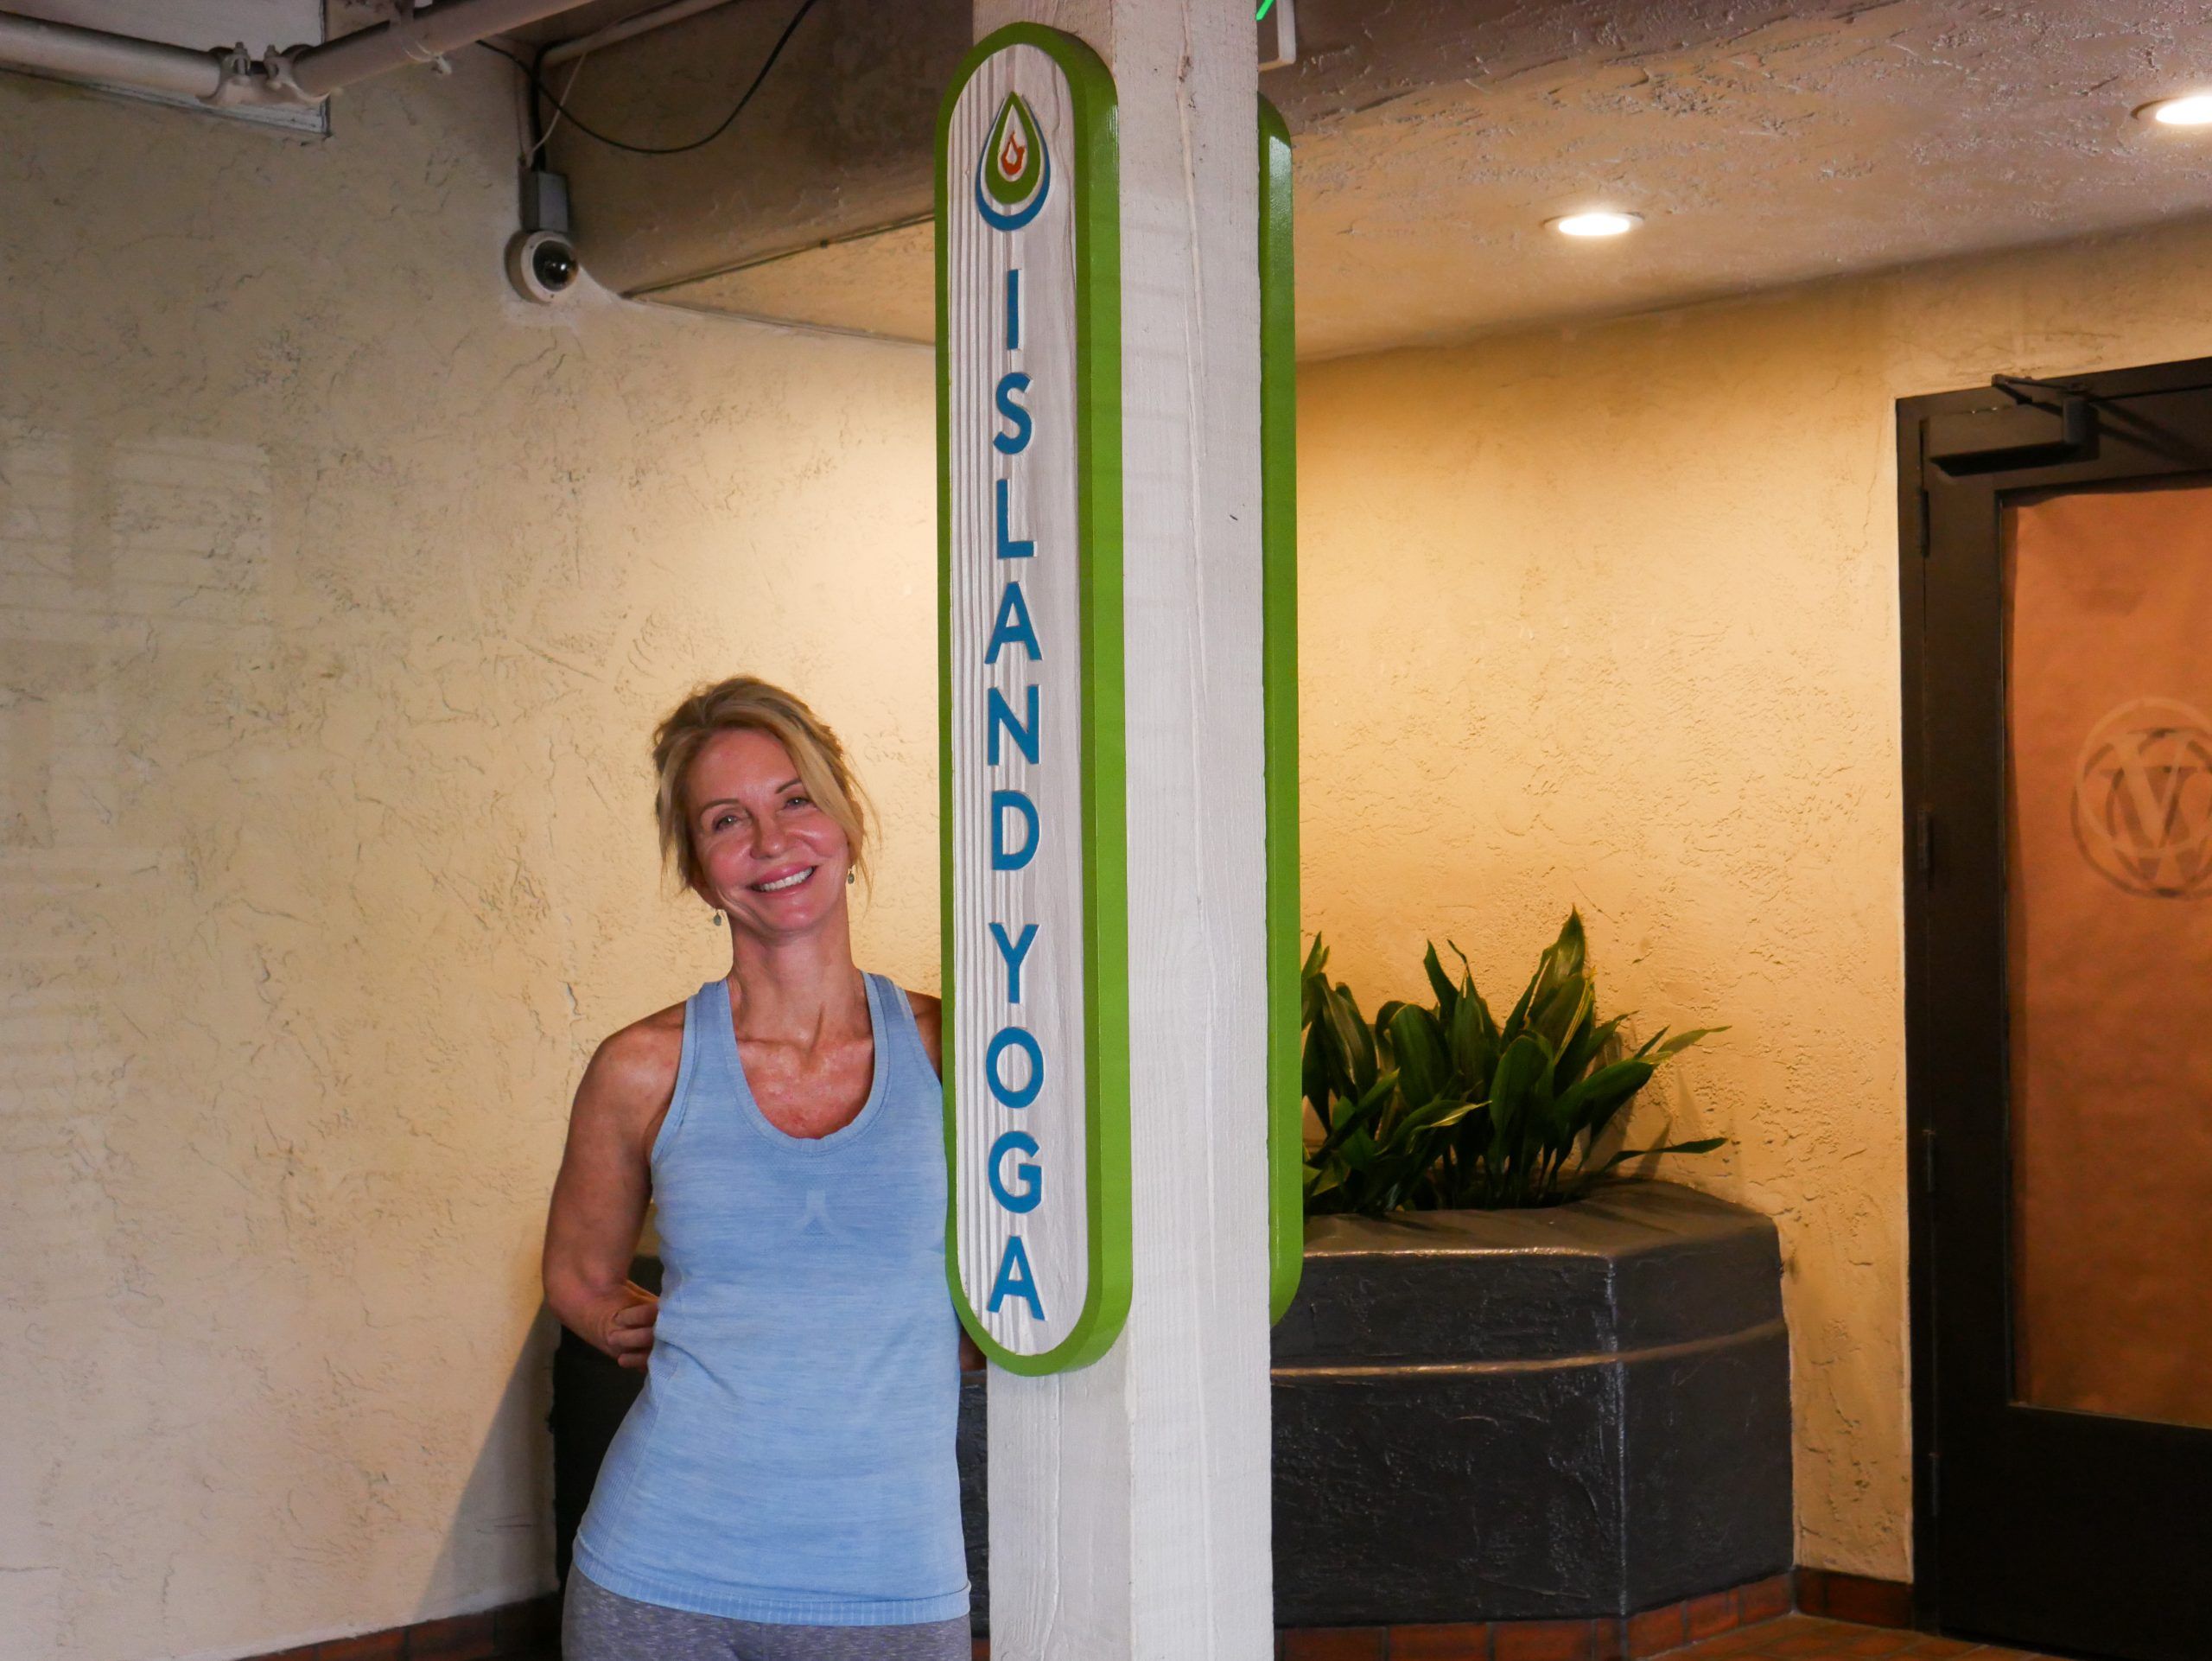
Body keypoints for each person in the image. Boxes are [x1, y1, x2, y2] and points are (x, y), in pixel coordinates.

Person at [543, 676, 978, 1661]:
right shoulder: (642, 1066)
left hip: (889, 1580)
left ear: (849, 820)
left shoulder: (960, 1052)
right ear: (697, 868)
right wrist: (660, 1326)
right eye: (726, 820)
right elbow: (575, 1271)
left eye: (796, 799)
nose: (773, 844)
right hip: (657, 1571)